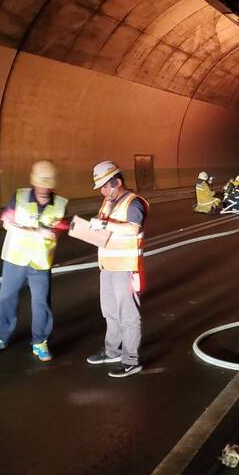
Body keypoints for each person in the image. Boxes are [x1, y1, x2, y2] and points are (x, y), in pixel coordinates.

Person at [0, 160, 68, 362]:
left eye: (48, 184)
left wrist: (48, 232)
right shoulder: (19, 197)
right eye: (41, 183)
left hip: (40, 262)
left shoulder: (61, 204)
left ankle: (40, 342)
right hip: (15, 258)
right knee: (6, 299)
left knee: (41, 303)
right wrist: (36, 231)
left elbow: (58, 231)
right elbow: (6, 222)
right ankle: (0, 337)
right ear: (34, 182)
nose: (44, 187)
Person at [86, 161, 149, 378]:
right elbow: (106, 231)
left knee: (129, 316)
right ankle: (112, 351)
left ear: (117, 183)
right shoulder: (108, 202)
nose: (102, 191)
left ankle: (131, 360)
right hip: (108, 268)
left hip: (126, 268)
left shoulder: (134, 203)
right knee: (110, 313)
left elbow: (132, 229)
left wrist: (102, 225)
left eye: (105, 186)